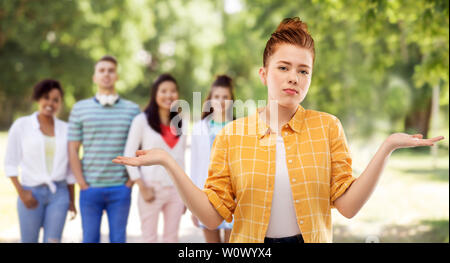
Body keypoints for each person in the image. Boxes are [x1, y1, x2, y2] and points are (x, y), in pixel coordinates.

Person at [112, 18, 445, 243]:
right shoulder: (232, 135)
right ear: (263, 73)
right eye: (283, 67)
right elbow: (212, 219)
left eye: (303, 70)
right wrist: (169, 164)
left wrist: (387, 147)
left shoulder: (328, 127)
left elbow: (347, 207)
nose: (293, 78)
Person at [68, 55, 140, 243]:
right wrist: (82, 184)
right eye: (102, 70)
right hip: (90, 189)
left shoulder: (132, 110)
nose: (106, 74)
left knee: (118, 239)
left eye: (111, 70)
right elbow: (72, 149)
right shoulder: (79, 109)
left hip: (120, 188)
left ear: (116, 76)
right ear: (95, 77)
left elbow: (140, 148)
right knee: (89, 239)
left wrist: (130, 183)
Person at [4, 79, 77, 243]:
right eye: (46, 97)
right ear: (38, 98)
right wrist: (22, 193)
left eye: (56, 100)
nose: (50, 103)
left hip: (59, 194)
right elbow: (10, 163)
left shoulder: (66, 129)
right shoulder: (21, 126)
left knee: (53, 241)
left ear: (60, 103)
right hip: (31, 192)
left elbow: (70, 169)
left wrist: (71, 200)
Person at [123, 73, 186, 243]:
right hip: (151, 188)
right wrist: (142, 186)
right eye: (163, 91)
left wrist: (186, 194)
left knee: (172, 238)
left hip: (176, 191)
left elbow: (181, 160)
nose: (169, 95)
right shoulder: (141, 121)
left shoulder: (182, 123)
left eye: (173, 91)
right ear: (155, 94)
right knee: (149, 238)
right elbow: (129, 155)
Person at [190, 75, 235, 243]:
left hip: (233, 198)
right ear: (210, 100)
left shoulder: (239, 128)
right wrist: (193, 207)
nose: (221, 101)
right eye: (217, 97)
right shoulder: (199, 128)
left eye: (225, 97)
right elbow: (194, 167)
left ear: (231, 101)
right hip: (206, 198)